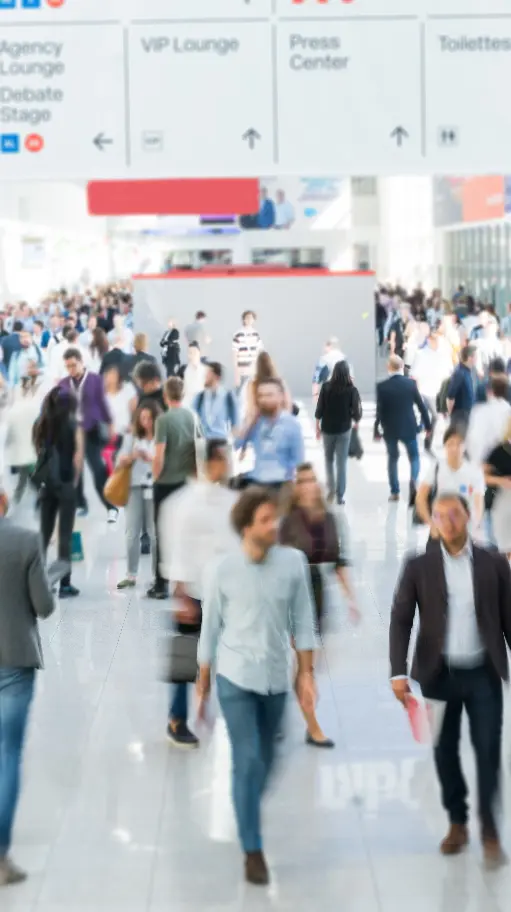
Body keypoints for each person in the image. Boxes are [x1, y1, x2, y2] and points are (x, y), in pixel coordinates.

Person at [197, 487, 316, 885]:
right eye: (265, 520)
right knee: (247, 759)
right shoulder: (223, 569)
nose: (275, 525)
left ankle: (244, 799)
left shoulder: (293, 563)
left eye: (275, 518)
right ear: (246, 527)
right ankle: (253, 849)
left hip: (275, 677)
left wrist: (306, 675)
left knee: (267, 761)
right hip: (235, 677)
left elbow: (304, 622)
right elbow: (210, 626)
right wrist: (202, 680)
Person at [389, 492, 511, 867]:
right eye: (439, 515)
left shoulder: (493, 562)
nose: (447, 521)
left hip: (483, 674)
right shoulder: (417, 565)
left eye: (454, 514)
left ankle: (489, 829)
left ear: (469, 516)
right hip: (437, 676)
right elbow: (401, 619)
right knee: (444, 750)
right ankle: (457, 821)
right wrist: (397, 671)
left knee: (489, 750)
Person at [161, 438, 237, 747]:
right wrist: (180, 594)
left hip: (224, 591)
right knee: (185, 660)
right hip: (192, 592)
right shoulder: (182, 503)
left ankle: (212, 706)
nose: (229, 464)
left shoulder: (231, 499)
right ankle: (177, 718)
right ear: (208, 463)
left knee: (220, 655)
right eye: (224, 459)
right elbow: (175, 549)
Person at [280, 463, 359, 746]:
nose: (307, 485)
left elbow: (338, 560)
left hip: (318, 593)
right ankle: (313, 727)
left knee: (306, 664)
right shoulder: (287, 520)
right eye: (301, 481)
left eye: (311, 479)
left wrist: (351, 597)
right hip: (293, 594)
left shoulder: (329, 518)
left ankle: (279, 711)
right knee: (306, 666)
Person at [0, 489, 55, 886]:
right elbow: (44, 606)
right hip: (15, 661)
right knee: (7, 755)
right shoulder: (24, 541)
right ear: (2, 501)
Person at [33, 388, 84, 598]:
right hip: (65, 485)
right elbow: (77, 459)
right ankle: (64, 584)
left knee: (44, 535)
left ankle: (39, 582)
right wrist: (74, 483)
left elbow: (39, 453)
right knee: (65, 536)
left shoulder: (41, 425)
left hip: (47, 486)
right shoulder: (74, 426)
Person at [148, 377, 196, 599]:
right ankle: (185, 580)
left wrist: (155, 477)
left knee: (162, 532)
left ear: (166, 396)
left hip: (166, 484)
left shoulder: (163, 420)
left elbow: (159, 455)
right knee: (184, 532)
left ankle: (160, 584)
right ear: (183, 394)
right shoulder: (191, 417)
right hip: (186, 482)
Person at [59, 348, 116, 522]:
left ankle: (110, 505)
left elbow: (102, 403)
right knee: (76, 470)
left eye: (73, 365)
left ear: (81, 362)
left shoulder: (94, 380)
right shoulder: (63, 383)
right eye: (67, 366)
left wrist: (110, 422)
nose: (71, 370)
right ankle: (80, 504)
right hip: (73, 432)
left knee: (97, 468)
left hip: (91, 430)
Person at [375, 355, 431, 503]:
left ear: (389, 367)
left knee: (393, 459)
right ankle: (413, 482)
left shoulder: (381, 387)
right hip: (409, 427)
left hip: (390, 428)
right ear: (402, 367)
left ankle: (395, 492)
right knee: (414, 457)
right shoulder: (410, 384)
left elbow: (379, 411)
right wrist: (428, 426)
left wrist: (376, 429)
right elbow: (421, 406)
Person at [234, 378, 304, 496]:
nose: (264, 399)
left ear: (280, 397)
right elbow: (237, 444)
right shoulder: (257, 423)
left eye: (269, 395)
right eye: (261, 396)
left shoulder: (291, 424)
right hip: (258, 481)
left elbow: (298, 461)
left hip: (281, 484)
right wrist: (250, 421)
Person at [116, 402, 160, 590]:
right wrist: (133, 456)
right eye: (143, 418)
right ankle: (131, 574)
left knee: (155, 533)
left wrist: (152, 459)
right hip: (134, 486)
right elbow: (120, 461)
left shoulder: (161, 438)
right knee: (132, 531)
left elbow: (165, 461)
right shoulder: (132, 437)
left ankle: (158, 575)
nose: (146, 422)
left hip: (154, 487)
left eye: (150, 418)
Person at [415, 425, 484, 536]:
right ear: (445, 446)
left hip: (465, 530)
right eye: (450, 444)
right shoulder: (436, 467)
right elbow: (420, 497)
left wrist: (475, 526)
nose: (454, 448)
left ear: (465, 446)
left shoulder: (474, 471)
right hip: (439, 529)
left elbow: (478, 502)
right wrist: (431, 524)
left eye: (459, 444)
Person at [315, 360, 362, 505]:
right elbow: (357, 413)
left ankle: (330, 491)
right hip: (344, 430)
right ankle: (340, 495)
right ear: (347, 373)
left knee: (328, 460)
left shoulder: (326, 387)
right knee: (341, 463)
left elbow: (320, 408)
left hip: (327, 430)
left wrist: (317, 426)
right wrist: (355, 421)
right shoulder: (352, 390)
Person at [411, 322, 453, 449]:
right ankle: (425, 437)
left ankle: (428, 436)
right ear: (428, 340)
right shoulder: (421, 354)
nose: (435, 342)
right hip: (424, 391)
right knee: (431, 415)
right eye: (432, 339)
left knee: (435, 417)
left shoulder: (444, 354)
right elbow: (414, 374)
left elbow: (449, 372)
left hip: (439, 390)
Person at [5, 371, 41, 505]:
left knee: (26, 478)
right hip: (31, 451)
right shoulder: (35, 407)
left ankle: (17, 502)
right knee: (26, 478)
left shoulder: (14, 410)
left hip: (25, 452)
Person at [466, 374, 511, 466]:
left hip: (482, 462)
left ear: (490, 391)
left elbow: (472, 438)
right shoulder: (508, 411)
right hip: (503, 462)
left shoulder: (478, 410)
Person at [484, 417, 511, 558]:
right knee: (499, 551)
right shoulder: (499, 451)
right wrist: (501, 480)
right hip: (497, 506)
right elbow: (481, 476)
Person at [193, 362, 238, 440]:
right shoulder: (200, 397)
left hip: (222, 443)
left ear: (216, 377)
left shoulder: (228, 397)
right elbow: (192, 420)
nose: (205, 376)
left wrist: (230, 444)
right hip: (204, 443)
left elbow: (235, 424)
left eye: (208, 373)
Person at [244, 351, 292, 423]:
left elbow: (251, 409)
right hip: (278, 419)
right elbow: (288, 404)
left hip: (259, 422)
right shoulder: (279, 382)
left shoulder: (253, 384)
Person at [103, 364, 137, 444]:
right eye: (110, 374)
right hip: (108, 435)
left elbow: (135, 410)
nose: (112, 377)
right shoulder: (101, 394)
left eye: (114, 374)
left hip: (126, 433)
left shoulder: (127, 388)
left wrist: (133, 425)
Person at [446, 344, 477, 431]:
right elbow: (450, 397)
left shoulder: (467, 371)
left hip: (467, 416)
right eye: (475, 356)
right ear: (470, 358)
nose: (477, 359)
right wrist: (452, 416)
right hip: (461, 418)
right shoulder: (460, 373)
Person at [232, 310, 263, 396]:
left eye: (251, 318)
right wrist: (236, 373)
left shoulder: (256, 334)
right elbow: (235, 353)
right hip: (242, 369)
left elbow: (259, 351)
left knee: (253, 393)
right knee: (240, 392)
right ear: (243, 320)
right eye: (247, 318)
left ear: (254, 320)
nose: (249, 320)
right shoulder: (238, 334)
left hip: (253, 369)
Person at [182, 341, 207, 405]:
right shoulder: (185, 370)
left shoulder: (205, 370)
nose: (192, 355)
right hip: (187, 402)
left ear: (199, 353)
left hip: (201, 403)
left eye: (194, 352)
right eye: (190, 353)